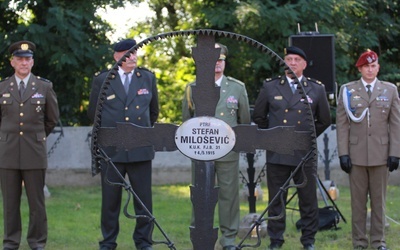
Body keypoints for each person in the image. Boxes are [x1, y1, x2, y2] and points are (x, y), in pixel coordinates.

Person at [252, 46, 331, 250]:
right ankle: (276, 240)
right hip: (278, 151)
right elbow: (259, 117)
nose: (292, 63)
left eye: (296, 59)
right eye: (288, 59)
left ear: (304, 64)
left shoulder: (316, 88)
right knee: (276, 198)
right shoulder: (270, 87)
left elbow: (323, 120)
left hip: (304, 152)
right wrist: (274, 137)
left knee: (308, 199)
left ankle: (308, 241)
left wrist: (306, 138)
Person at [87, 39, 159, 250]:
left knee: (143, 200)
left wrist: (137, 135)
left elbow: (153, 112)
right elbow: (93, 113)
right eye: (128, 54)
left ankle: (144, 242)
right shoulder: (103, 80)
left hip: (140, 149)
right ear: (116, 57)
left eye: (135, 52)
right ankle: (108, 242)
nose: (133, 57)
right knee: (110, 201)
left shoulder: (147, 77)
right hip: (111, 151)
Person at [182, 43, 251, 250]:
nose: (217, 65)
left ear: (224, 62)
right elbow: (186, 121)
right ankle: (199, 234)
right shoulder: (192, 88)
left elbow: (244, 120)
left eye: (220, 60)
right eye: (213, 61)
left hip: (227, 151)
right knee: (199, 193)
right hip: (201, 151)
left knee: (229, 194)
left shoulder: (237, 88)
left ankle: (228, 238)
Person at [336, 50, 400, 250]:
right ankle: (360, 242)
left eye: (373, 66)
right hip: (356, 156)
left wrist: (395, 152)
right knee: (357, 203)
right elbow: (342, 124)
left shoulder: (389, 90)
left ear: (378, 67)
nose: (370, 70)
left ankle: (379, 242)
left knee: (379, 202)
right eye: (366, 66)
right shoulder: (348, 91)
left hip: (381, 155)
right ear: (360, 69)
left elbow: (396, 123)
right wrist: (343, 153)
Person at [0, 40, 60, 250]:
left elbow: (52, 119)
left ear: (32, 62)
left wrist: (37, 137)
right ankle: (10, 242)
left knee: (37, 203)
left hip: (34, 152)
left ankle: (37, 242)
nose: (24, 63)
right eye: (19, 59)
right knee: (10, 204)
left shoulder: (44, 87)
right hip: (7, 153)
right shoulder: (2, 87)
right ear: (12, 62)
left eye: (27, 59)